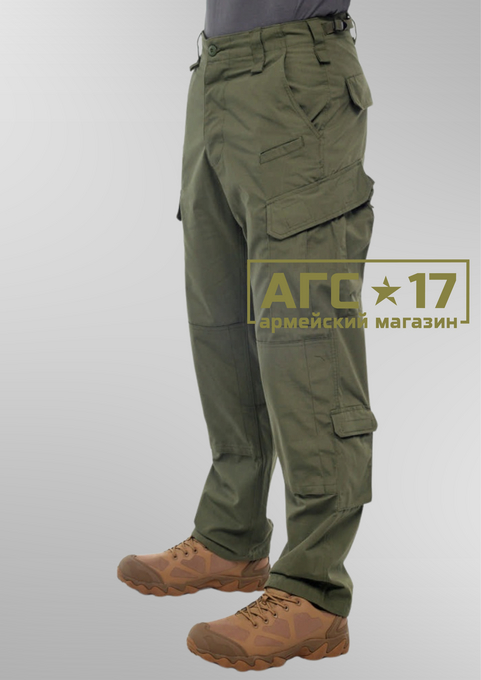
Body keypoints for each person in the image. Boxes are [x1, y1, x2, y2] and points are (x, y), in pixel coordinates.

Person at [118, 0, 378, 671]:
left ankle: (313, 589)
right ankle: (231, 537)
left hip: (296, 77)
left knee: (305, 341)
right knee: (221, 326)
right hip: (213, 73)